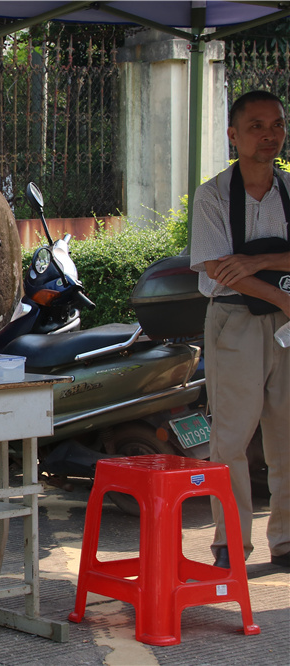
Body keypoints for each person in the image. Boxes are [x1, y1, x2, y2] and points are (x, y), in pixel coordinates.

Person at [190, 90, 290, 569]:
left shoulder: (289, 191)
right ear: (233, 135)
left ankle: (287, 540)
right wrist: (283, 295)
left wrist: (259, 260)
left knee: (287, 436)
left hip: (285, 323)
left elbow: (238, 265)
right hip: (235, 322)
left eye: (277, 125)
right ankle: (231, 544)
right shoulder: (212, 195)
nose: (269, 135)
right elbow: (217, 268)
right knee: (231, 439)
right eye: (256, 126)